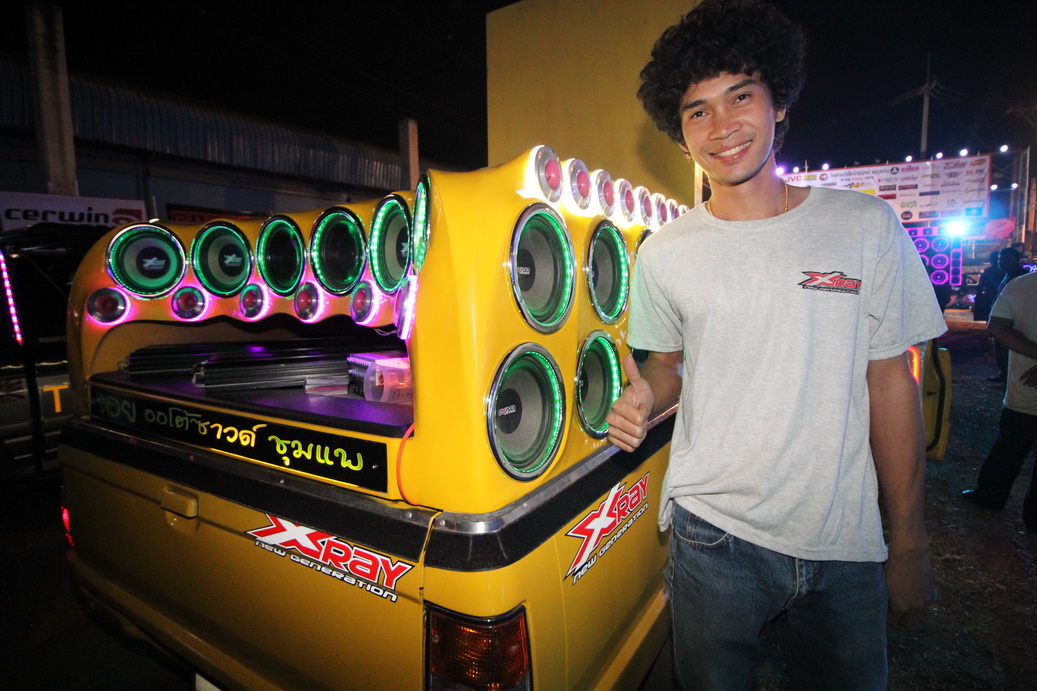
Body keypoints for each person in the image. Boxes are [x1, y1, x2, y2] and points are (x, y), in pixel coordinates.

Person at [606, 1, 945, 688]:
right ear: (680, 134)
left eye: (740, 96)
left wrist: (908, 538)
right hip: (712, 539)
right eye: (697, 110)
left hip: (844, 538)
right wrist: (644, 396)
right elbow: (667, 365)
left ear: (778, 102)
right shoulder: (664, 252)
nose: (721, 126)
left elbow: (891, 381)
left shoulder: (864, 225)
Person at [962, 269, 1037, 531]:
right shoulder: (1021, 284)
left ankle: (990, 496)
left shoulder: (1022, 284)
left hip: (1024, 388)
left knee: (1010, 445)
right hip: (1025, 387)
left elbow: (997, 326)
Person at [989, 248, 1029, 382]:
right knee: (1000, 347)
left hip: (1014, 320)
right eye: (1000, 259)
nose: (1002, 262)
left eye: (1006, 259)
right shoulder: (1005, 275)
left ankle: (1010, 376)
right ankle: (1004, 373)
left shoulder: (1023, 277)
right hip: (1004, 318)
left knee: (1010, 348)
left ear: (1016, 260)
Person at [972, 250, 1005, 322]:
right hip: (1001, 297)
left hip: (990, 297)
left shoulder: (988, 271)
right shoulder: (1005, 271)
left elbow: (980, 287)